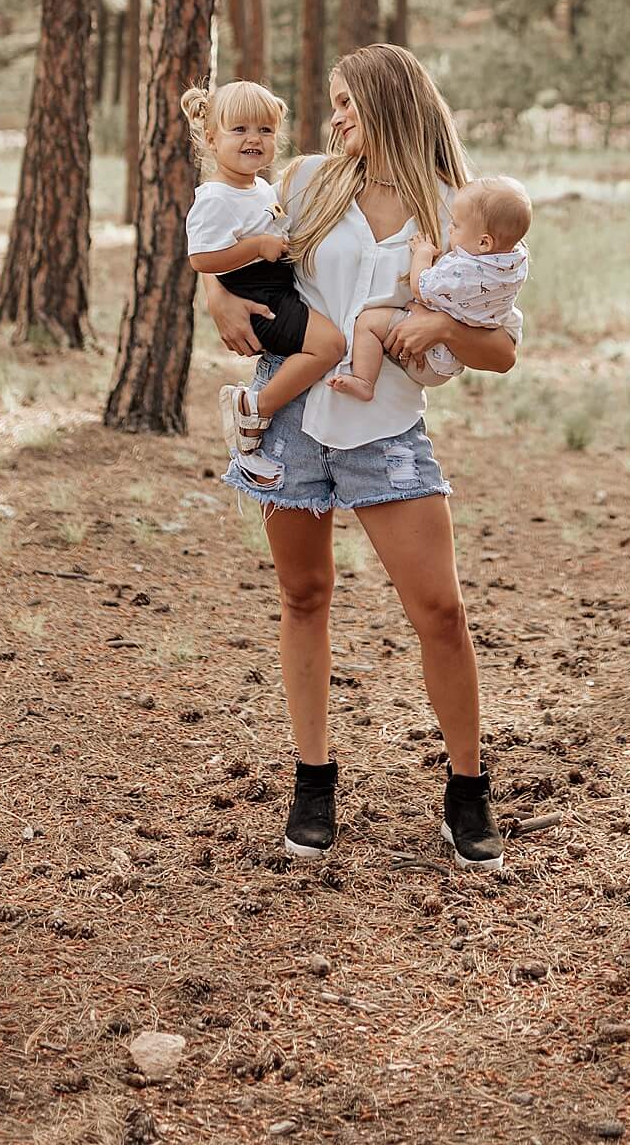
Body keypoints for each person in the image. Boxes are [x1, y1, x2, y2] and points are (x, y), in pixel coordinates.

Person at [200, 44, 519, 871]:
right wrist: (215, 290)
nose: (334, 117)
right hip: (290, 419)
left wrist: (443, 327)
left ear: (388, 104)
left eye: (347, 103)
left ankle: (466, 790)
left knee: (440, 615)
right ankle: (313, 781)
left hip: (387, 428)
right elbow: (222, 227)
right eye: (332, 102)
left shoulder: (460, 207)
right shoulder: (305, 181)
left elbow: (504, 349)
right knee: (304, 595)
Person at [182, 81, 347, 493]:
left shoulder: (259, 188)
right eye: (239, 130)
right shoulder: (215, 197)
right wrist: (256, 246)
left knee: (325, 343)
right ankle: (253, 407)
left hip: (278, 288)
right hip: (260, 296)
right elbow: (201, 258)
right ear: (211, 138)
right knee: (329, 346)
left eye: (265, 130)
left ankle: (253, 439)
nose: (254, 138)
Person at [331, 174, 531, 405]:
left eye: (455, 226)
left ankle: (364, 381)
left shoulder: (461, 272)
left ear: (484, 243)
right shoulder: (511, 264)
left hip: (429, 357)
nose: (449, 228)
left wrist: (422, 253)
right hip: (448, 362)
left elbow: (420, 286)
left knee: (367, 323)